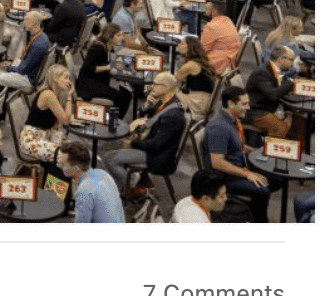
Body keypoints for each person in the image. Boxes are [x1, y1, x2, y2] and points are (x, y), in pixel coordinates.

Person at [101, 72, 187, 195]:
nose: (152, 87)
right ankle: (126, 185)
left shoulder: (172, 116)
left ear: (165, 88)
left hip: (158, 157)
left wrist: (132, 143)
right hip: (156, 149)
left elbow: (155, 146)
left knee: (109, 158)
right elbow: (142, 113)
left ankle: (134, 186)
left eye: (155, 84)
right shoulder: (168, 102)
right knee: (116, 152)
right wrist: (146, 105)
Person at [201, 87, 274, 222]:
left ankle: (252, 211)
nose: (248, 107)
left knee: (274, 178)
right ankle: (259, 220)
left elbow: (235, 147)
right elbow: (217, 162)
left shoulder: (232, 119)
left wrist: (254, 151)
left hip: (238, 167)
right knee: (263, 190)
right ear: (231, 104)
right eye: (244, 104)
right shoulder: (219, 127)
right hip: (224, 178)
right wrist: (247, 174)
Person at [245, 45, 306, 143]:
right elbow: (273, 94)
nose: (293, 64)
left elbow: (281, 88)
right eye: (291, 59)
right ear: (281, 59)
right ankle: (270, 156)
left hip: (270, 107)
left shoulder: (275, 70)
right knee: (280, 128)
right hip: (257, 111)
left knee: (300, 122)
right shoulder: (262, 73)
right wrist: (291, 83)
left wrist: (288, 113)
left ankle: (298, 154)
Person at [57, 140, 125, 223]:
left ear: (76, 168)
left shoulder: (84, 191)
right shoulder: (104, 174)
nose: (60, 166)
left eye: (63, 164)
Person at [19, 64, 75, 163]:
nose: (69, 82)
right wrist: (69, 96)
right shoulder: (48, 95)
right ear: (55, 78)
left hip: (45, 135)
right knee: (64, 158)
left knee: (74, 150)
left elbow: (60, 121)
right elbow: (65, 120)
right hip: (32, 139)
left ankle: (53, 176)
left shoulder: (54, 93)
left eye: (69, 78)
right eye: (66, 77)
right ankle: (51, 178)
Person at [0, 11, 51, 93]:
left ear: (33, 23)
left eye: (26, 20)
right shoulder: (42, 37)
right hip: (29, 74)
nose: (23, 22)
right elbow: (26, 65)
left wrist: (8, 67)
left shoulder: (37, 45)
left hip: (27, 79)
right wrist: (11, 63)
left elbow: (22, 70)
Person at [200, 0, 241, 77]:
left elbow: (203, 50)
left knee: (190, 62)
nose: (204, 11)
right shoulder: (228, 21)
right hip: (230, 60)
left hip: (218, 63)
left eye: (206, 9)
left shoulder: (211, 26)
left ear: (214, 11)